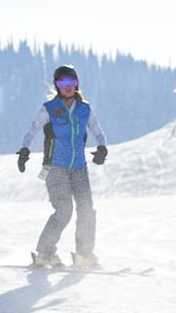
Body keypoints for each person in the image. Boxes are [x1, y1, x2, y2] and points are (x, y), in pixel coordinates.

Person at [16, 65, 109, 270]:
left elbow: (97, 130)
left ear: (77, 84)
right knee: (64, 210)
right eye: (62, 83)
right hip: (55, 167)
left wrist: (102, 147)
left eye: (72, 82)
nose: (68, 87)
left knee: (86, 209)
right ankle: (44, 253)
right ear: (56, 86)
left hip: (79, 168)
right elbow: (32, 130)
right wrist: (24, 150)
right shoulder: (49, 109)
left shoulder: (85, 109)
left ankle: (85, 255)